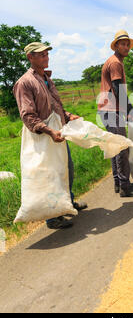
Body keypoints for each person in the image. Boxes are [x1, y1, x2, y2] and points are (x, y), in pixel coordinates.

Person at [13, 42, 87, 230]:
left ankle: (67, 204)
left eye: (47, 54)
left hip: (58, 132)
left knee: (65, 169)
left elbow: (56, 107)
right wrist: (49, 131)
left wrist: (68, 116)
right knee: (50, 175)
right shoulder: (25, 83)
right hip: (43, 137)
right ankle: (53, 217)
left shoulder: (47, 78)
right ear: (31, 57)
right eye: (42, 55)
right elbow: (28, 116)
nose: (46, 57)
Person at [98, 30, 133, 197]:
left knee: (114, 146)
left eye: (127, 44)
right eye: (123, 44)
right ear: (116, 45)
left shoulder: (115, 61)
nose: (126, 47)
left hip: (107, 109)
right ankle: (125, 187)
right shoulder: (115, 63)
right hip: (112, 109)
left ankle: (118, 182)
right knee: (122, 147)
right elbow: (119, 90)